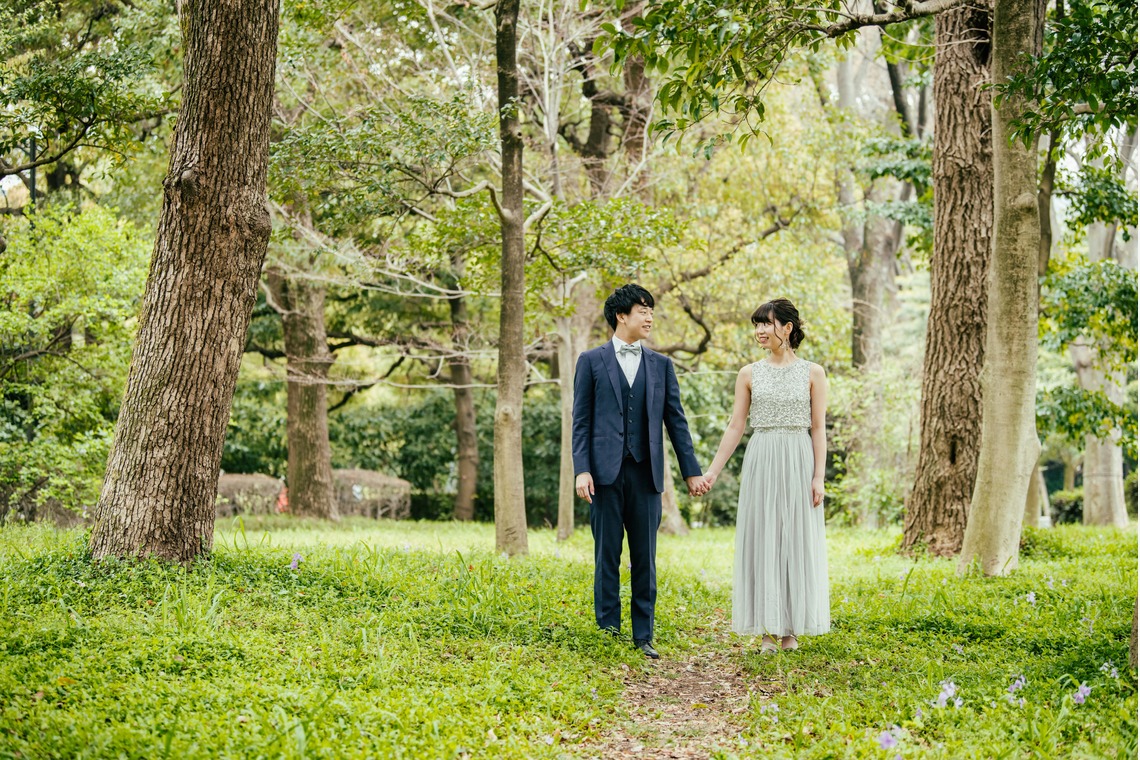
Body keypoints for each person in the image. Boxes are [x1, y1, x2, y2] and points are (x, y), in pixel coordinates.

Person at [572, 284, 708, 659]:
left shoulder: (662, 366)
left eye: (651, 311)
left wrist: (690, 471)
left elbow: (676, 422)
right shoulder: (591, 361)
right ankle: (608, 631)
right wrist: (581, 469)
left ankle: (643, 635)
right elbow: (580, 421)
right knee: (606, 555)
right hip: (603, 475)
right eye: (643, 310)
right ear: (621, 315)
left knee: (645, 557)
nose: (649, 317)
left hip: (647, 476)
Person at [702, 298, 830, 652]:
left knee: (795, 539)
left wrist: (818, 477)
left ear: (787, 328)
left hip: (799, 457)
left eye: (766, 323)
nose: (759, 331)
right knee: (765, 539)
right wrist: (712, 471)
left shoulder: (813, 373)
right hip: (762, 456)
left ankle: (791, 628)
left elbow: (818, 428)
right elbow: (735, 426)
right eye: (756, 324)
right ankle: (767, 630)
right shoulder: (749, 373)